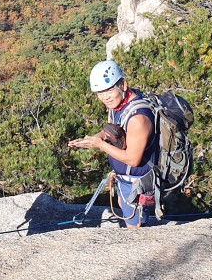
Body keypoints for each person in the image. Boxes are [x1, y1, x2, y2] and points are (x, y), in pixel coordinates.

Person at [68, 60, 158, 227]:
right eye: (100, 93)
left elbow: (133, 159)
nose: (105, 98)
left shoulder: (138, 119)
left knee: (135, 227)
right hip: (125, 179)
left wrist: (100, 144)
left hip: (137, 183)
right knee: (125, 213)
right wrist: (95, 138)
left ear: (123, 85)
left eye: (109, 91)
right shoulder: (119, 104)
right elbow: (115, 130)